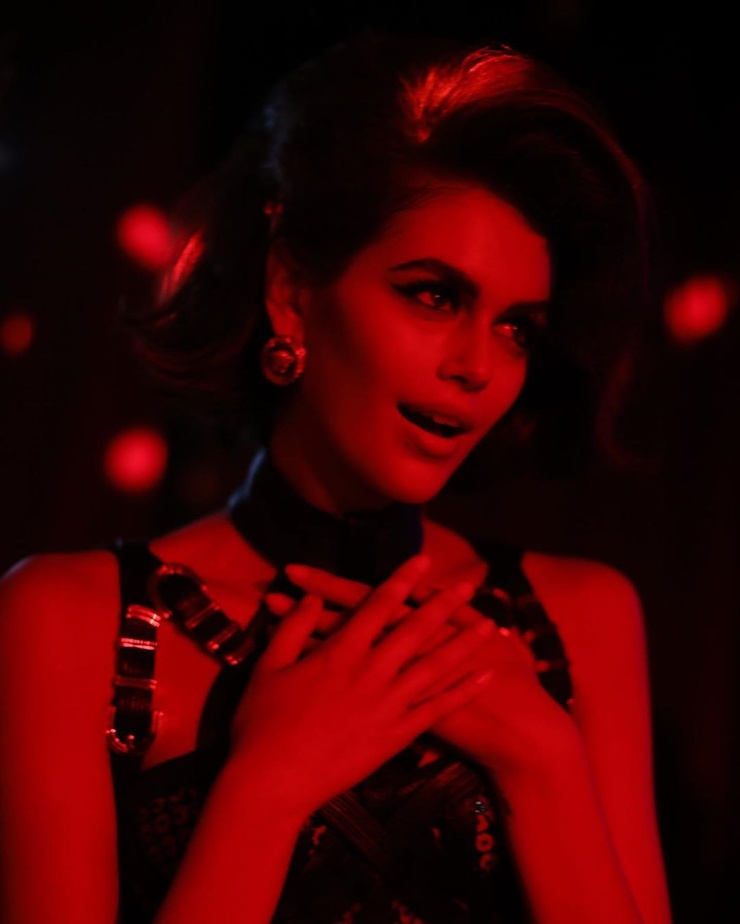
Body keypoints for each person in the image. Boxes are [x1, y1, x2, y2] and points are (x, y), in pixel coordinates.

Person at [0, 30, 672, 924]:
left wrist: (543, 764)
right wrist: (265, 789)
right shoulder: (67, 619)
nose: (478, 367)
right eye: (434, 295)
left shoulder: (579, 617)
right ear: (290, 289)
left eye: (517, 327)